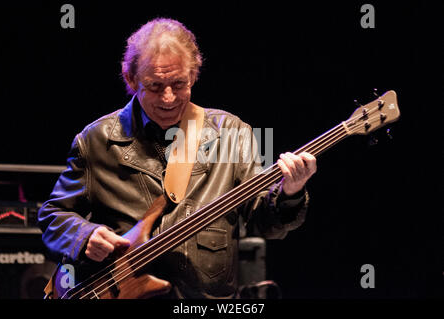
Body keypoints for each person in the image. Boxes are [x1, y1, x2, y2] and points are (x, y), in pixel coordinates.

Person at [38, 18, 317, 299]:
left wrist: (290, 193)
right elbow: (52, 216)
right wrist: (84, 236)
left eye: (179, 84)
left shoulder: (233, 132)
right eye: (155, 86)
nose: (169, 98)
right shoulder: (95, 140)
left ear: (194, 75)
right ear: (131, 79)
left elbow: (264, 222)